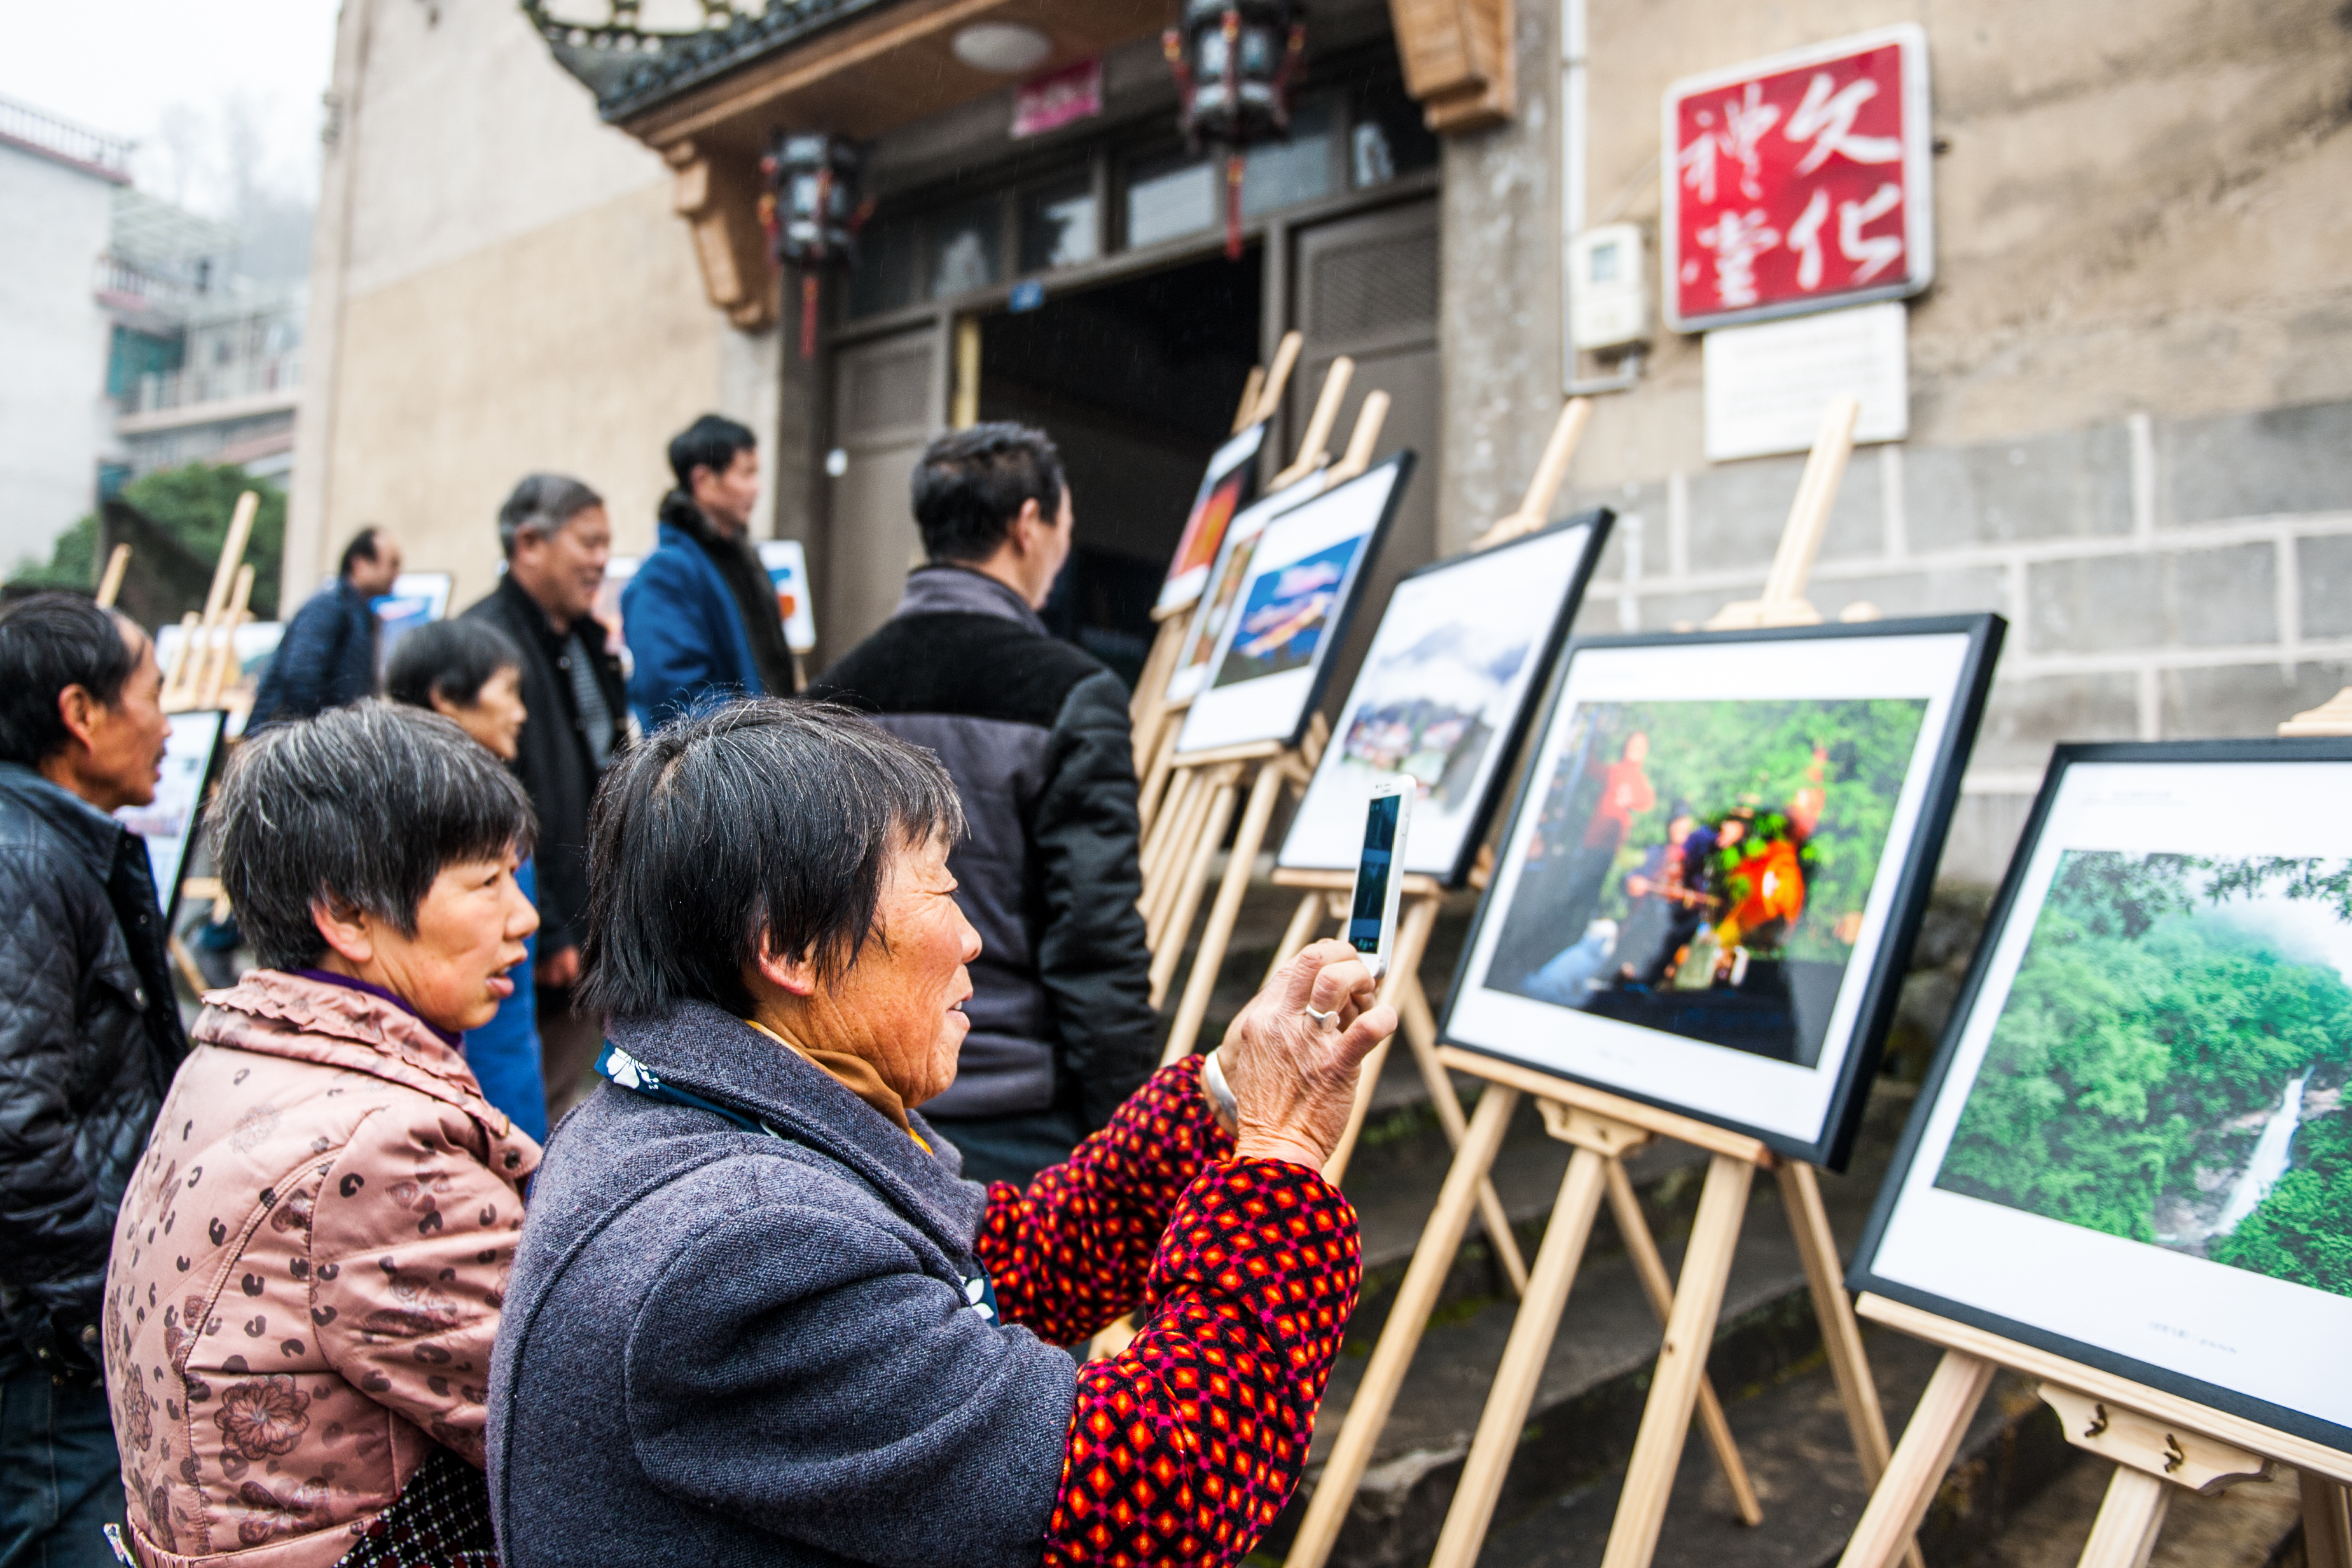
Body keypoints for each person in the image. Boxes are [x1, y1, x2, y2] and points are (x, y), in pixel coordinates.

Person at [487, 699, 1388, 1568]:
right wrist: (1281, 1155)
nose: (969, 939)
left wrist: (1226, 1094)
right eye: (942, 892)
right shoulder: (737, 1251)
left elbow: (1003, 1262)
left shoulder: (696, 1112)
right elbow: (1155, 1491)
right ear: (791, 949)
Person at [102, 701, 541, 1567]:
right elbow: (566, 1414)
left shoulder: (239, 1049)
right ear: (346, 914)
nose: (522, 916)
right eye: (487, 882)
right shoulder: (380, 1149)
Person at [808, 424, 1156, 1184]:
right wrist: (1128, 1130)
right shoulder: (1070, 693)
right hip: (1017, 1114)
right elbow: (1094, 934)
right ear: (1029, 524)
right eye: (1065, 525)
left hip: (858, 1103)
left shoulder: (826, 700)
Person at [0, 594, 183, 1567]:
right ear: (81, 711)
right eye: (152, 692)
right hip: (45, 1348)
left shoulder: (50, 842)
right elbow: (10, 1129)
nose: (168, 719)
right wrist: (99, 1303)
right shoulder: (21, 861)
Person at [464, 475, 627, 1124]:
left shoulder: (584, 640)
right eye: (587, 542)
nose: (600, 561)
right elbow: (505, 806)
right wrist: (554, 922)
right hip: (541, 926)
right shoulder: (487, 644)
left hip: (591, 917)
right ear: (528, 543)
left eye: (605, 545)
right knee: (532, 1100)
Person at [387, 617, 550, 1142]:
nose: (521, 712)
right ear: (448, 699)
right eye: (507, 692)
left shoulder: (488, 801)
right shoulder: (419, 821)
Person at [623, 414, 794, 730]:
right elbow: (678, 699)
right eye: (746, 474)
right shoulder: (665, 574)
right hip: (716, 768)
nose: (756, 489)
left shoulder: (744, 561)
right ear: (703, 481)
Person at [249, 526, 402, 729]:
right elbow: (301, 675)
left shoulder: (360, 613)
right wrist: (323, 737)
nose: (396, 573)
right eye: (392, 564)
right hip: (291, 738)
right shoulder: (329, 606)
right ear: (360, 564)